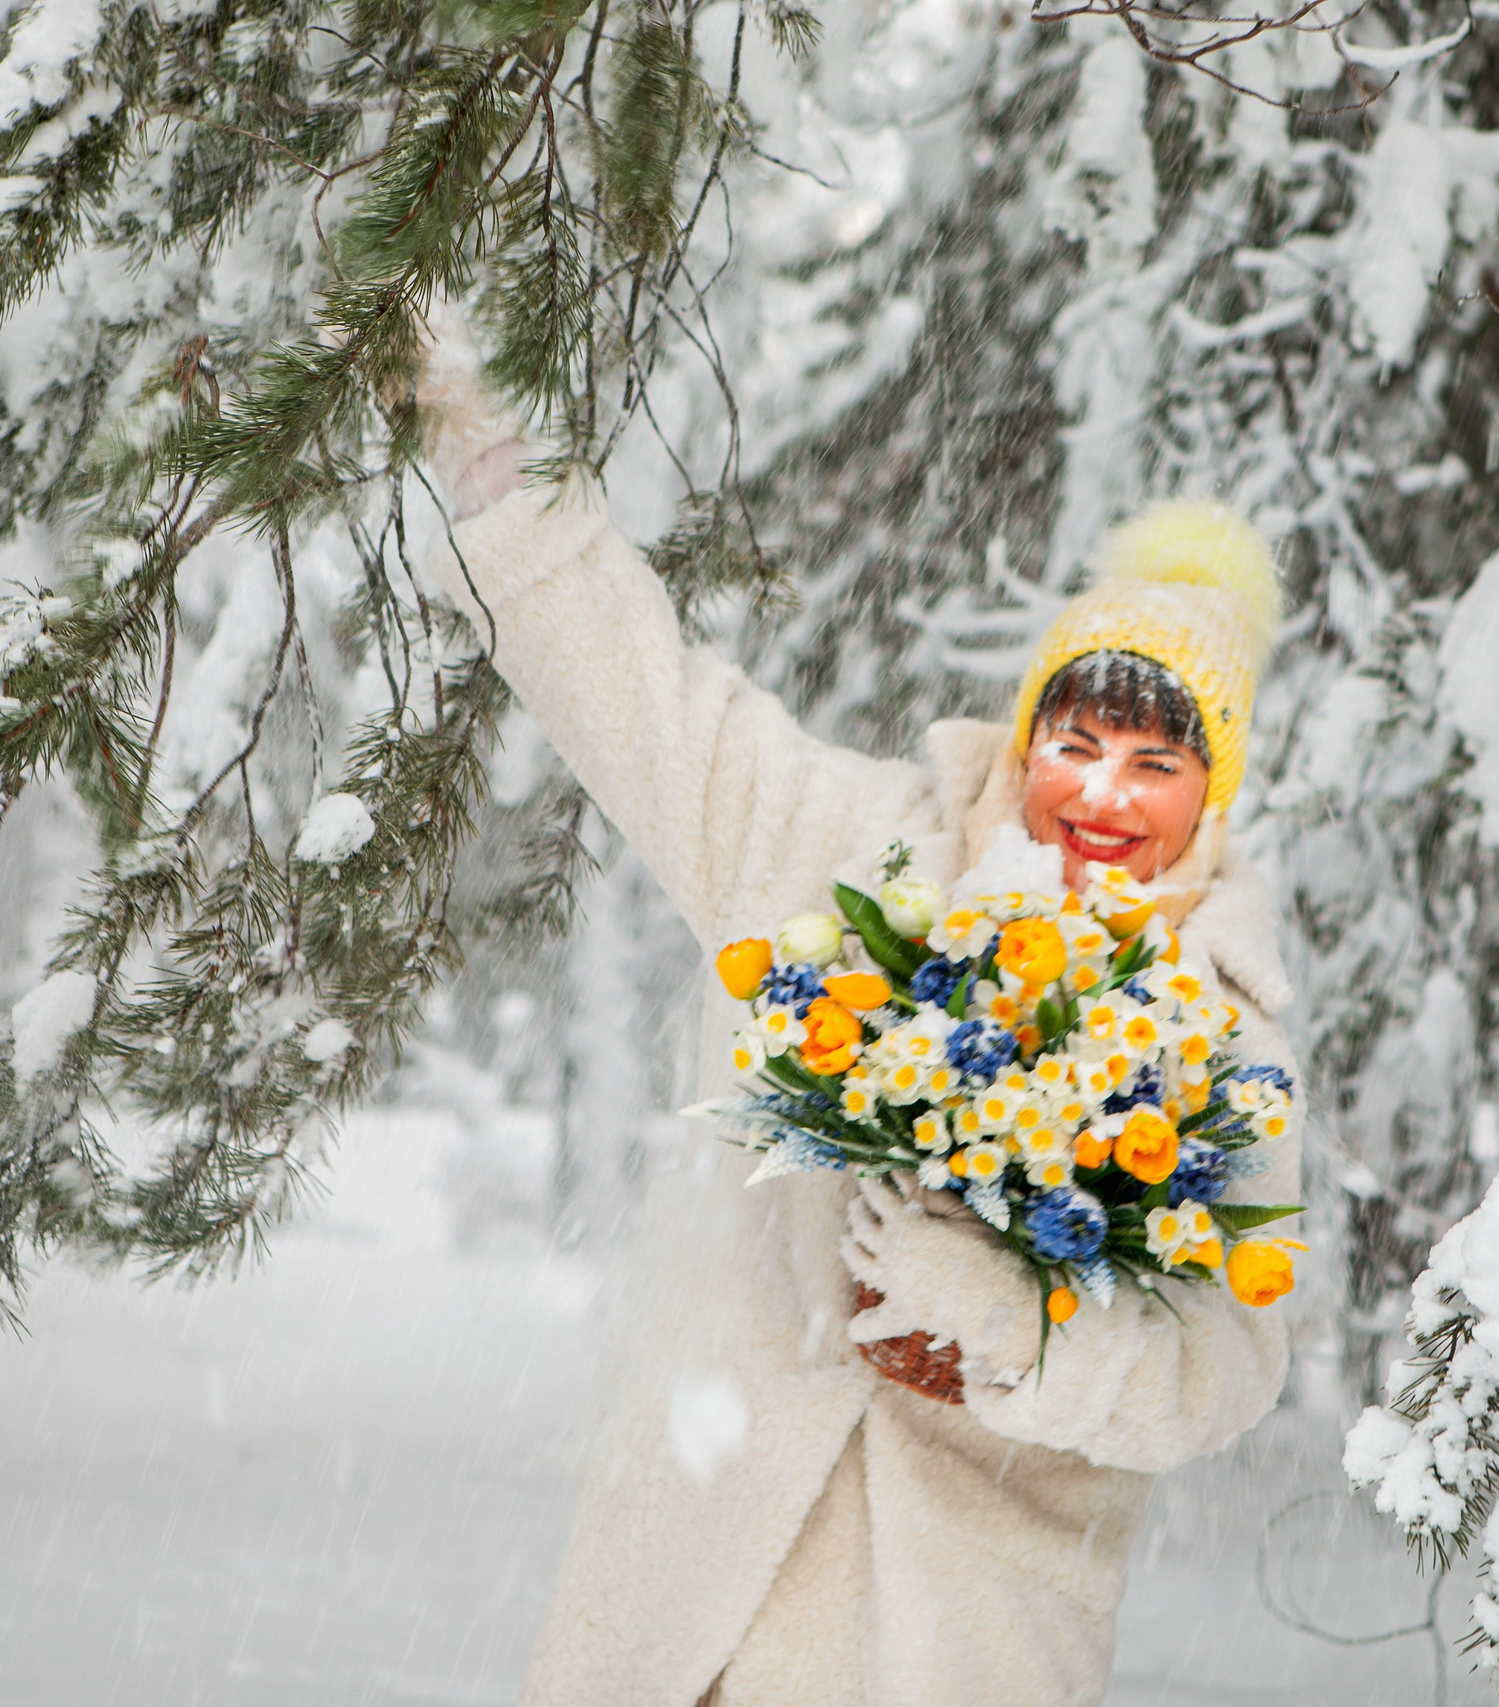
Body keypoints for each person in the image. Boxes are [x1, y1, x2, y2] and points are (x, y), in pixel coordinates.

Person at [417, 333, 1301, 1707]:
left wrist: (1019, 1329)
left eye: (1156, 764)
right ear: (1026, 739)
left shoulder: (1224, 1031)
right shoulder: (852, 852)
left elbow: (1223, 1369)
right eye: (1075, 745)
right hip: (702, 1582)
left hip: (961, 1636)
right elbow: (662, 719)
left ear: (1210, 790)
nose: (1104, 799)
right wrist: (499, 486)